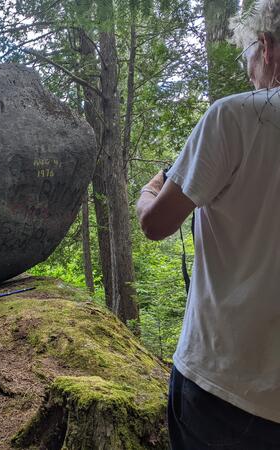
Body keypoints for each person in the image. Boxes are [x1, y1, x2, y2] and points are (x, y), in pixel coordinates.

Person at [136, 2, 280, 448]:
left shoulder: (238, 117)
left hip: (223, 388)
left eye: (249, 54)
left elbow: (156, 224)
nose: (249, 70)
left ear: (269, 49)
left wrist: (150, 187)